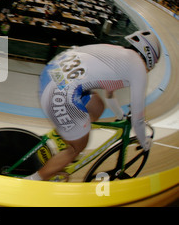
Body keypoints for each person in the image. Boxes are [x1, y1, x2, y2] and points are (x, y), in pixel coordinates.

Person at [26, 30, 161, 181]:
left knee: (97, 105)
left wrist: (120, 116)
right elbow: (138, 117)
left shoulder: (121, 55)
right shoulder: (138, 68)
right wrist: (144, 141)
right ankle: (32, 180)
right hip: (59, 94)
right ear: (150, 58)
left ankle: (67, 135)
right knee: (78, 148)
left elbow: (110, 96)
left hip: (52, 75)